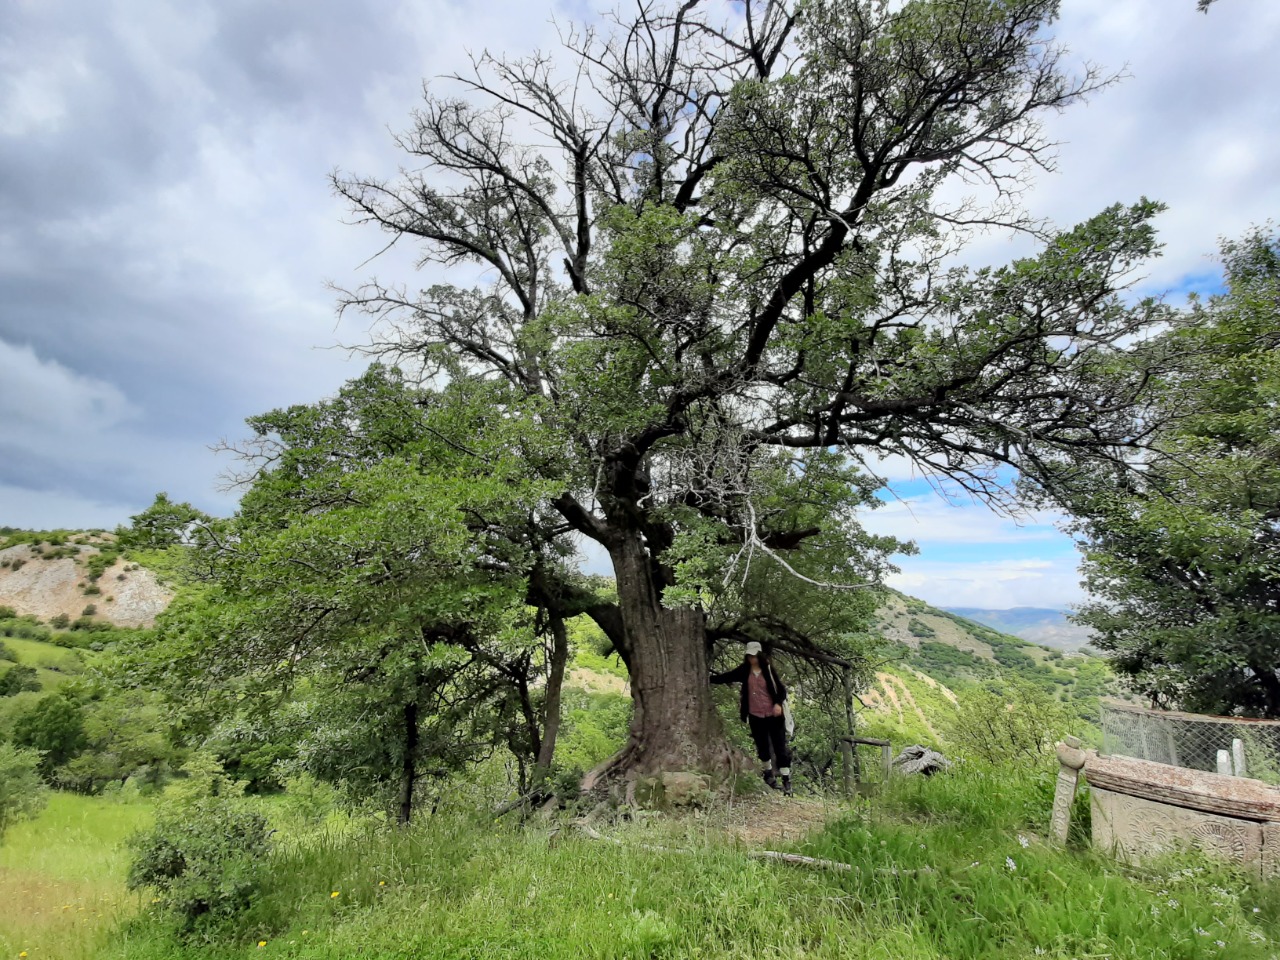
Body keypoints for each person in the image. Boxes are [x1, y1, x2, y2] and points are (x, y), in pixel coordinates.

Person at [711, 641, 793, 795]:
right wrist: (709, 679)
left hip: (773, 715)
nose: (752, 659)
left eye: (754, 656)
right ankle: (768, 774)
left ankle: (786, 780)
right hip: (756, 715)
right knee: (762, 746)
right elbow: (728, 676)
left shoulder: (768, 670)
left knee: (780, 747)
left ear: (760, 655)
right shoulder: (745, 670)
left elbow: (781, 690)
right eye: (749, 656)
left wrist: (777, 703)